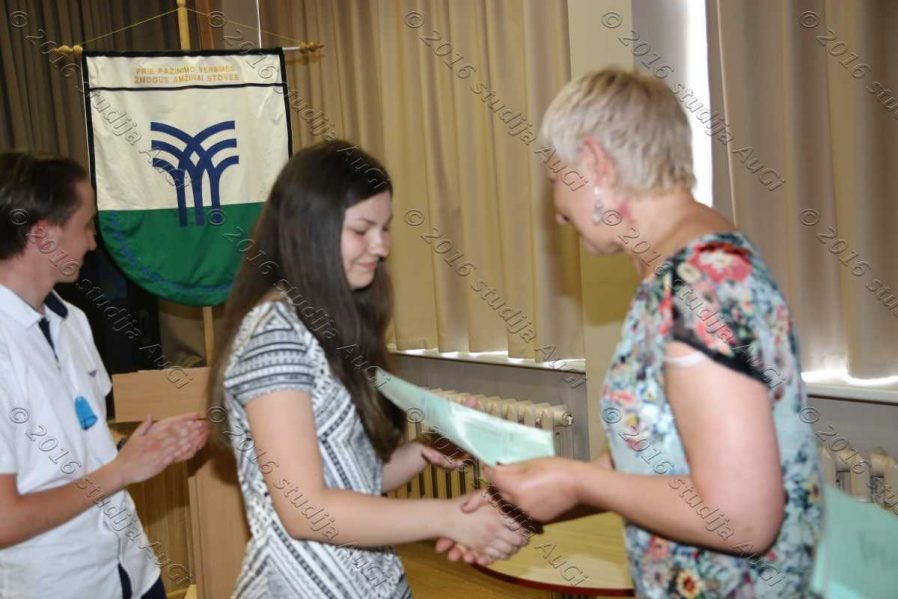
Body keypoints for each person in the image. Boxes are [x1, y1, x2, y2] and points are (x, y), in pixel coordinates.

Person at [457, 69, 824, 597]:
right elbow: (663, 447)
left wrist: (577, 482)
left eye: (557, 175)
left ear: (596, 163)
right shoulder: (682, 268)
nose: (557, 213)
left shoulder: (699, 286)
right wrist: (540, 498)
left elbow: (742, 517)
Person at [206, 140, 529, 599]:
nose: (381, 247)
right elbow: (307, 509)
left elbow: (352, 480)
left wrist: (424, 450)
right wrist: (449, 517)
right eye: (362, 230)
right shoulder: (274, 334)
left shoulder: (323, 324)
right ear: (308, 230)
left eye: (385, 228)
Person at [0, 151, 210, 598]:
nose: (93, 243)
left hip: (133, 569)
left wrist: (140, 448)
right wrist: (120, 471)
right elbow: (5, 520)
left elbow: (87, 432)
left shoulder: (73, 320)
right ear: (43, 235)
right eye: (86, 225)